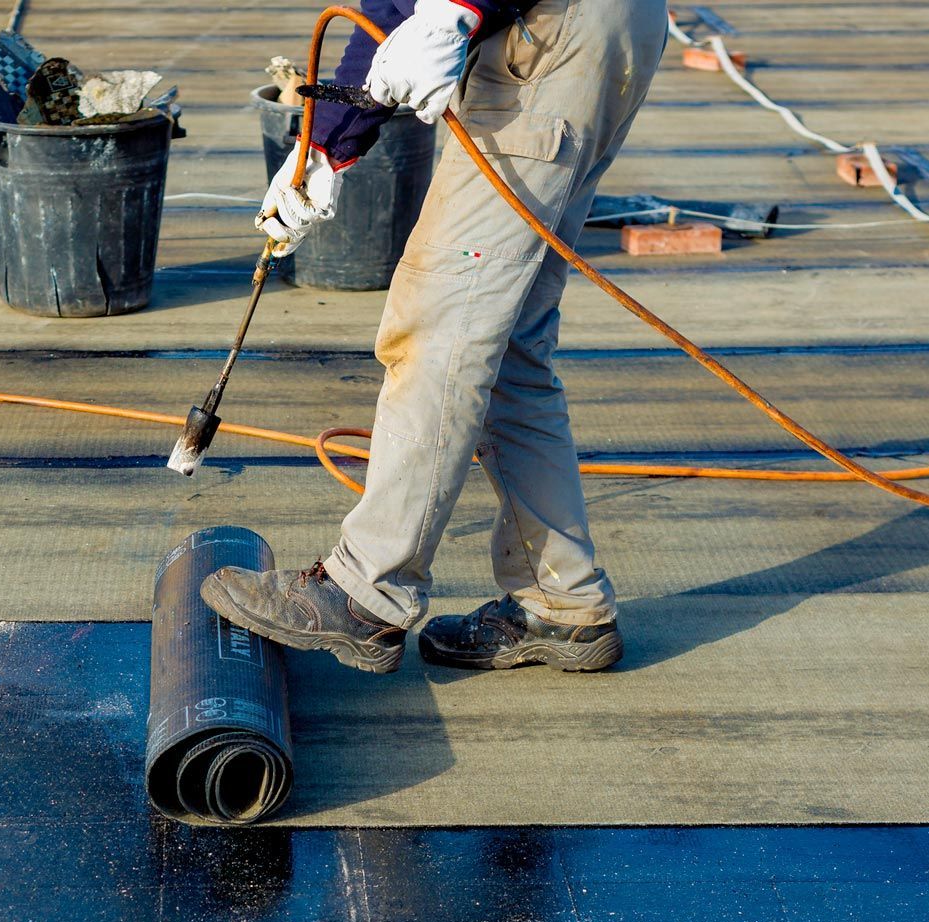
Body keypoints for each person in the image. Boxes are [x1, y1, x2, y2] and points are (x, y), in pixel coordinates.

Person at [201, 0, 668, 674]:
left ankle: (368, 591)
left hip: (555, 31)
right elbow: (390, 8)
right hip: (604, 25)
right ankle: (562, 599)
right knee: (505, 340)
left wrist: (459, 7)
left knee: (439, 320)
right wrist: (328, 146)